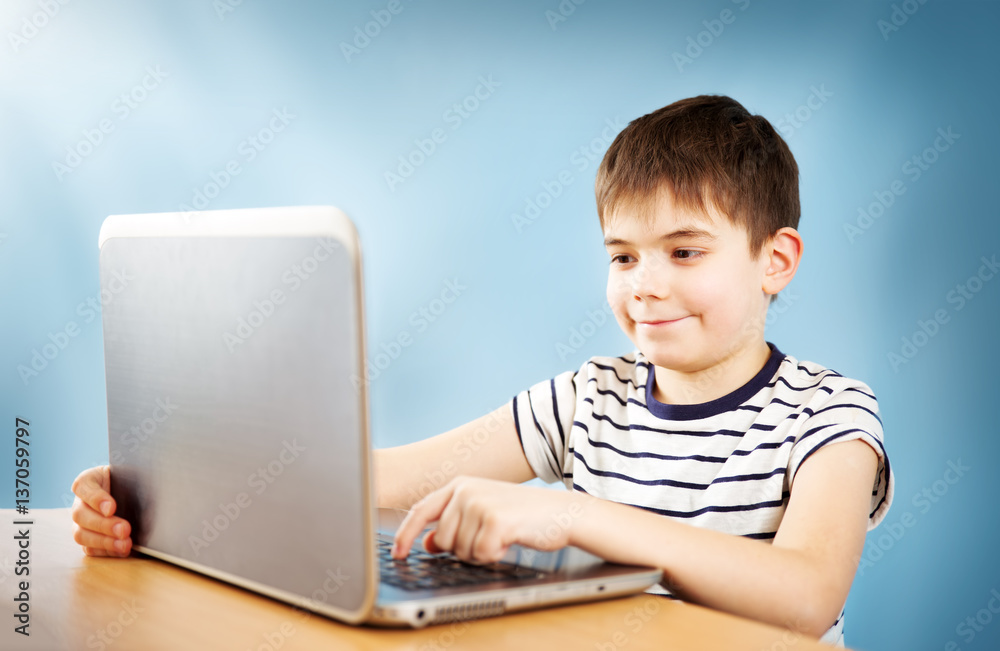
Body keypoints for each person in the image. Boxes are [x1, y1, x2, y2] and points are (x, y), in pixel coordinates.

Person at [71, 94, 893, 645]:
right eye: (622, 255)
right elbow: (390, 480)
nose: (645, 283)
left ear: (775, 259)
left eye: (684, 251)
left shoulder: (831, 417)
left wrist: (574, 519)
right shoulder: (587, 398)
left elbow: (805, 594)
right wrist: (173, 484)